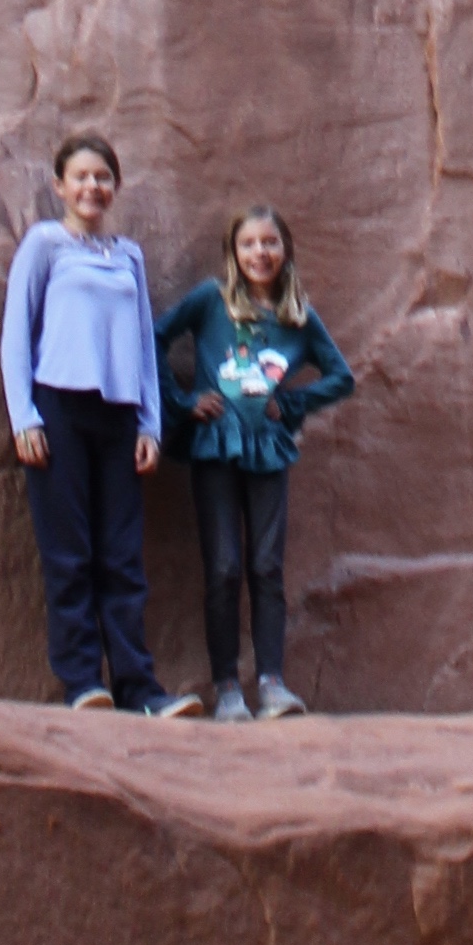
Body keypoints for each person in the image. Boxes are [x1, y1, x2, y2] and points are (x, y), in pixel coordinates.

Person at [0, 128, 196, 715]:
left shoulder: (128, 255)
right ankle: (83, 682)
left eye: (103, 177)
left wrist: (150, 425)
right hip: (58, 408)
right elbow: (16, 334)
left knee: (121, 556)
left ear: (116, 186)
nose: (93, 186)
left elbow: (142, 344)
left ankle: (140, 688)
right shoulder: (44, 244)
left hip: (118, 416)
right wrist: (24, 416)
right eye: (81, 176)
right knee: (68, 553)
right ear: (59, 186)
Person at [154, 201, 354, 721]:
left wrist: (291, 404)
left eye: (269, 242)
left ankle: (272, 683)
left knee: (266, 565)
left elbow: (341, 377)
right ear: (233, 251)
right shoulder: (211, 299)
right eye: (248, 244)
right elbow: (155, 338)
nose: (259, 253)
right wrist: (182, 400)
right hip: (215, 446)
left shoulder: (297, 317)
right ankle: (226, 687)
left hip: (267, 450)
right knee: (223, 566)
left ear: (285, 250)